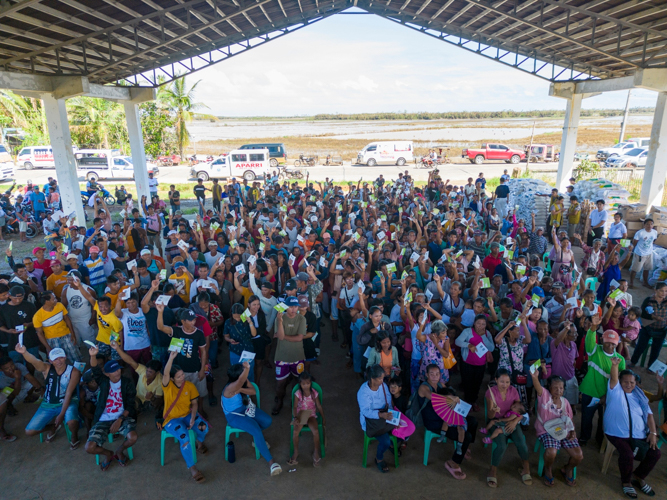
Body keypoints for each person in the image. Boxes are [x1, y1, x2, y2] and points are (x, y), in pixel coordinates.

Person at [604, 357, 661, 498]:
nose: (628, 385)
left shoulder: (639, 396)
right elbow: (614, 377)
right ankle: (626, 482)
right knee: (627, 455)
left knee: (655, 453)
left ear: (635, 383)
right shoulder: (615, 391)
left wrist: (653, 432)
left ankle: (638, 476)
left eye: (632, 382)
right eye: (625, 382)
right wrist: (615, 365)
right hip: (617, 434)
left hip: (639, 435)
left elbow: (649, 416)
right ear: (620, 382)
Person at [83, 346, 138, 471]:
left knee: (133, 437)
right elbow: (95, 369)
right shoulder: (103, 381)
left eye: (118, 370)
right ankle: (108, 454)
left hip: (122, 417)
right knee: (89, 447)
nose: (117, 372)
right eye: (114, 371)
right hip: (103, 419)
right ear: (107, 374)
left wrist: (119, 420)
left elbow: (130, 404)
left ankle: (120, 451)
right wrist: (92, 355)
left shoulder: (127, 382)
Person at [417, 364, 476, 480]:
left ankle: (463, 448)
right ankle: (452, 462)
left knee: (473, 421)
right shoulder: (423, 388)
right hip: (434, 421)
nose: (434, 376)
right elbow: (433, 397)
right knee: (467, 435)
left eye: (437, 374)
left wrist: (457, 401)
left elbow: (451, 396)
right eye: (432, 374)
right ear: (427, 375)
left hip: (447, 416)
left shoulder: (441, 385)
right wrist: (451, 398)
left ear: (440, 375)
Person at [222, 362, 282, 476]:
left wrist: (241, 390)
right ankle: (271, 462)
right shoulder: (229, 388)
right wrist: (247, 368)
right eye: (243, 375)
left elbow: (253, 391)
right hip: (234, 416)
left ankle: (257, 440)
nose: (245, 377)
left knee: (267, 421)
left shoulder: (241, 384)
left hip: (246, 408)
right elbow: (240, 382)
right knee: (256, 429)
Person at [18, 345, 81, 448]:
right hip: (48, 403)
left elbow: (69, 394)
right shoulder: (46, 368)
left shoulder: (74, 371)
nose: (59, 361)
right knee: (29, 431)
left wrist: (61, 414)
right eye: (55, 359)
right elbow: (35, 361)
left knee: (71, 422)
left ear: (65, 357)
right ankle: (53, 427)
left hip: (67, 402)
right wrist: (24, 352)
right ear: (50, 360)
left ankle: (74, 436)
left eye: (61, 357)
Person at [162, 348, 209, 482]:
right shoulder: (168, 386)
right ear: (172, 378)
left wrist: (193, 417)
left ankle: (199, 441)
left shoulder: (189, 386)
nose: (182, 378)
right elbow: (165, 373)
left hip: (187, 415)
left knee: (203, 427)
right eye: (178, 376)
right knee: (185, 438)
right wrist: (171, 358)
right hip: (171, 420)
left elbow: (194, 403)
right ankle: (193, 468)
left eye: (182, 375)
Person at [530, 367, 582, 487]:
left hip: (563, 430)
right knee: (551, 452)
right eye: (555, 388)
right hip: (546, 431)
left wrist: (572, 430)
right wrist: (534, 377)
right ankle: (548, 468)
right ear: (549, 388)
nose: (558, 390)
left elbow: (570, 420)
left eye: (561, 388)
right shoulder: (544, 396)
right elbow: (537, 386)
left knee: (578, 455)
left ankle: (567, 469)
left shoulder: (565, 402)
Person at [579, 314, 625, 447]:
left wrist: (608, 395)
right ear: (602, 340)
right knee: (586, 417)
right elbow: (589, 340)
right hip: (590, 391)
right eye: (607, 342)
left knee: (604, 420)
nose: (610, 345)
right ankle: (584, 437)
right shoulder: (594, 351)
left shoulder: (620, 360)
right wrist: (593, 327)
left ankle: (600, 439)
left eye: (613, 343)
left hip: (608, 395)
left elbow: (619, 381)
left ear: (617, 344)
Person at [156, 305, 208, 414]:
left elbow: (203, 352)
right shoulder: (176, 331)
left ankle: (201, 410)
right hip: (180, 371)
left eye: (194, 320)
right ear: (183, 321)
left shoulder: (199, 334)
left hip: (195, 369)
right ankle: (188, 413)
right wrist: (160, 312)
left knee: (200, 392)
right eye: (190, 320)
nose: (193, 322)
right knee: (183, 394)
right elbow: (160, 327)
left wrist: (202, 369)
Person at [485, 368, 532, 488]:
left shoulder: (514, 391)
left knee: (521, 441)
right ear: (496, 380)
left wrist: (515, 421)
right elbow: (490, 416)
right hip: (496, 422)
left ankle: (525, 467)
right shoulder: (490, 393)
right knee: (501, 445)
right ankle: (493, 469)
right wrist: (493, 410)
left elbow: (520, 411)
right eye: (501, 382)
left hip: (512, 421)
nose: (505, 385)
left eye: (507, 382)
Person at [357, 364, 396, 473]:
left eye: (382, 378)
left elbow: (388, 400)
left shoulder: (383, 385)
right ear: (372, 379)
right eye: (380, 378)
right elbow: (365, 411)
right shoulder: (363, 392)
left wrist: (392, 415)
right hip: (372, 421)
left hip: (384, 415)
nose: (382, 381)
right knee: (386, 441)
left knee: (405, 429)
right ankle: (379, 458)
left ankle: (394, 444)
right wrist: (381, 415)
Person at [271, 296, 306, 415]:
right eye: (291, 306)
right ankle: (279, 401)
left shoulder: (301, 319)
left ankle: (295, 400)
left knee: (297, 381)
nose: (293, 309)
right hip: (282, 356)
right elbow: (280, 336)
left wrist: (284, 337)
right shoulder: (279, 319)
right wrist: (280, 322)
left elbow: (299, 338)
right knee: (280, 383)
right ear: (286, 307)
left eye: (295, 306)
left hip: (297, 355)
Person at [455, 314, 494, 409]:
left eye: (483, 324)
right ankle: (467, 402)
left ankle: (474, 401)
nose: (480, 326)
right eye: (478, 323)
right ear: (474, 323)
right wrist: (468, 345)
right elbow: (457, 341)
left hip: (481, 364)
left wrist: (483, 337)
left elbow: (491, 348)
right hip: (467, 363)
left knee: (477, 383)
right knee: (467, 383)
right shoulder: (468, 331)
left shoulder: (487, 334)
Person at [33, 291, 82, 364]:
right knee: (58, 362)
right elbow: (39, 333)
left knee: (76, 358)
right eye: (54, 299)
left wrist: (72, 334)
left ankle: (79, 373)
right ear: (47, 301)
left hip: (67, 335)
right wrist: (48, 347)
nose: (56, 300)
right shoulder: (37, 316)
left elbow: (67, 319)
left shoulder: (60, 305)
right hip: (52, 340)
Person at [288, 371, 324, 467]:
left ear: (310, 383)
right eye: (303, 384)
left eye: (308, 383)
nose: (306, 386)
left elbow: (319, 406)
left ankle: (316, 452)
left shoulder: (314, 393)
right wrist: (295, 417)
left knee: (315, 431)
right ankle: (296, 452)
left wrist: (323, 417)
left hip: (311, 415)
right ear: (300, 384)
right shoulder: (298, 393)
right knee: (295, 432)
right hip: (301, 415)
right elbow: (295, 407)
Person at [222, 303, 257, 381]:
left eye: (239, 317)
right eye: (235, 317)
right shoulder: (228, 322)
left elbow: (254, 334)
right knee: (235, 373)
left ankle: (249, 390)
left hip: (247, 351)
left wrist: (250, 322)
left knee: (249, 372)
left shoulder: (248, 319)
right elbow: (226, 336)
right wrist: (229, 340)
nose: (237, 319)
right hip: (235, 350)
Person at [629, 218, 658, 289]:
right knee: (635, 269)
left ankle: (645, 282)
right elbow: (634, 242)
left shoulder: (654, 232)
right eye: (647, 224)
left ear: (653, 225)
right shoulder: (640, 233)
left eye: (651, 224)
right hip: (640, 254)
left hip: (649, 253)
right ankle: (631, 282)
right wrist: (633, 251)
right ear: (644, 225)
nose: (649, 225)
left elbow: (653, 240)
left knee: (647, 269)